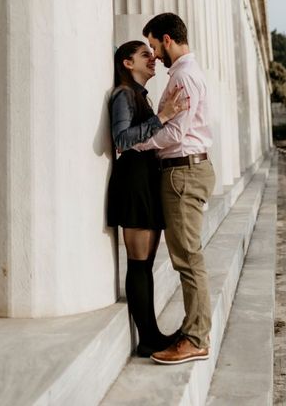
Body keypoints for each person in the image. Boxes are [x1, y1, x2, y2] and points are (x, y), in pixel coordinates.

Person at [132, 13, 215, 365]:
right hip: (187, 170)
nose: (153, 54)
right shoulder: (187, 73)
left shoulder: (183, 76)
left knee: (187, 258)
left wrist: (135, 144)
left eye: (153, 45)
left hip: (182, 173)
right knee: (188, 256)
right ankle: (193, 328)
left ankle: (196, 338)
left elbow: (175, 133)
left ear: (167, 39)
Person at [107, 41, 187, 357]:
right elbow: (122, 140)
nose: (153, 58)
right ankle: (149, 339)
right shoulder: (123, 96)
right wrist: (163, 117)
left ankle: (152, 334)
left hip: (147, 180)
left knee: (147, 264)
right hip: (134, 182)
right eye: (144, 55)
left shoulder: (140, 96)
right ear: (128, 63)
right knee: (139, 264)